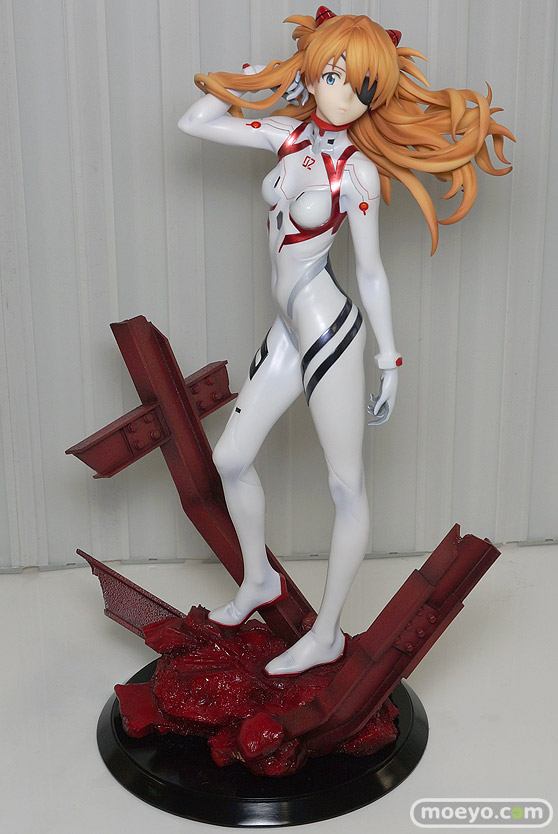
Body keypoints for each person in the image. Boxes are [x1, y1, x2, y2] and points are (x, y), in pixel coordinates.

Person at [178, 7, 513, 676]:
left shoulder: (355, 172)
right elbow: (196, 121)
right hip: (287, 328)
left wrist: (389, 360)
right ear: (311, 72)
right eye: (332, 76)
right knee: (231, 460)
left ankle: (328, 633)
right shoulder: (285, 134)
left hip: (329, 329)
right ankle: (259, 580)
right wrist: (260, 78)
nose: (345, 95)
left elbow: (371, 271)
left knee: (345, 483)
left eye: (362, 86)